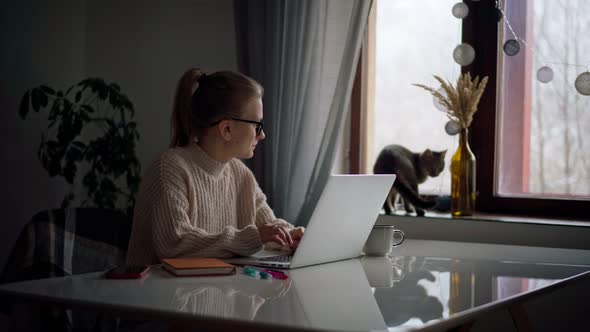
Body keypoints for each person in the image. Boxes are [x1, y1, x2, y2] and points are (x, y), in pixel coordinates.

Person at [126, 68, 304, 266]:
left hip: (215, 290)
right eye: (257, 126)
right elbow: (174, 246)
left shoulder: (241, 174)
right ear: (227, 129)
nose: (262, 135)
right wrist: (253, 237)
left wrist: (292, 235)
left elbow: (267, 227)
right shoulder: (169, 167)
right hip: (159, 295)